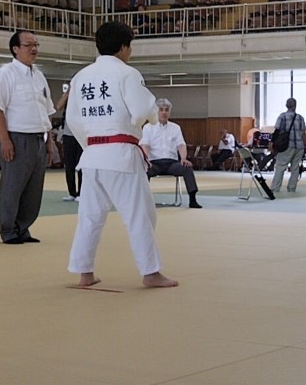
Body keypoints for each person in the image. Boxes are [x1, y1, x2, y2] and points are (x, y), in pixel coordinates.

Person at [66, 20, 177, 289]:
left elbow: (73, 120)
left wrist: (91, 145)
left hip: (91, 155)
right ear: (124, 47)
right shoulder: (127, 73)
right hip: (121, 154)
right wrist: (150, 117)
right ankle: (150, 273)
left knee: (90, 217)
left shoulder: (80, 77)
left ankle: (84, 273)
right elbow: (141, 111)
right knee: (140, 215)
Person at [0, 30, 57, 244]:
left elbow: (46, 111)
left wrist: (49, 141)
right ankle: (8, 230)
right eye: (28, 45)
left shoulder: (39, 75)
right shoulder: (5, 73)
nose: (34, 49)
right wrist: (5, 140)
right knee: (13, 187)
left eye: (36, 44)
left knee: (33, 189)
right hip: (16, 138)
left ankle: (23, 228)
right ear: (15, 49)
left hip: (38, 137)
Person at [141, 99, 203, 209]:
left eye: (166, 110)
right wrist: (146, 161)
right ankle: (142, 201)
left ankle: (192, 200)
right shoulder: (148, 127)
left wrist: (183, 158)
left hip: (172, 164)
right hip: (154, 163)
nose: (164, 112)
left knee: (187, 168)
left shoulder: (175, 127)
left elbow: (181, 145)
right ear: (156, 112)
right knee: (143, 170)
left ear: (169, 112)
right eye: (161, 110)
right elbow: (145, 145)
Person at [53, 87, 83, 202]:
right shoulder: (68, 96)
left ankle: (81, 193)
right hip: (68, 134)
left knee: (81, 165)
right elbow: (58, 106)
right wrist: (67, 92)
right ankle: (72, 192)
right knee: (69, 165)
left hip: (81, 135)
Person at [271, 98, 306, 193]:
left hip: (286, 146)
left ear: (286, 105)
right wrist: (305, 146)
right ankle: (292, 188)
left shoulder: (282, 116)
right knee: (295, 168)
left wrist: (272, 143)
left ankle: (275, 188)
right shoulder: (300, 118)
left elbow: (277, 130)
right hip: (299, 146)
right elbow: (303, 134)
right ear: (295, 106)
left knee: (281, 167)